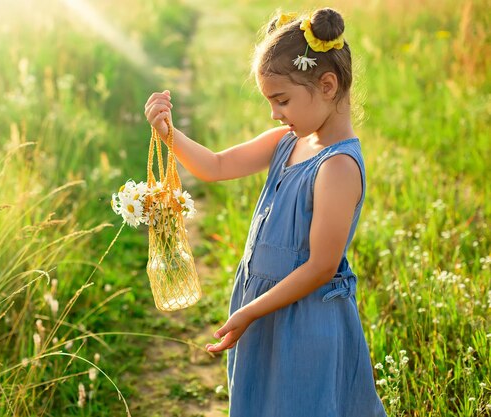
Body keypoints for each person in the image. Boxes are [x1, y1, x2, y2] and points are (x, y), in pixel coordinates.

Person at [144, 7, 387, 417]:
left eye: (282, 100)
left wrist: (249, 312)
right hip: (262, 309)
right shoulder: (285, 142)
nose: (274, 113)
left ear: (327, 85)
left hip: (306, 321)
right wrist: (170, 134)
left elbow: (321, 267)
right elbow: (216, 165)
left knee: (302, 404)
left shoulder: (338, 167)